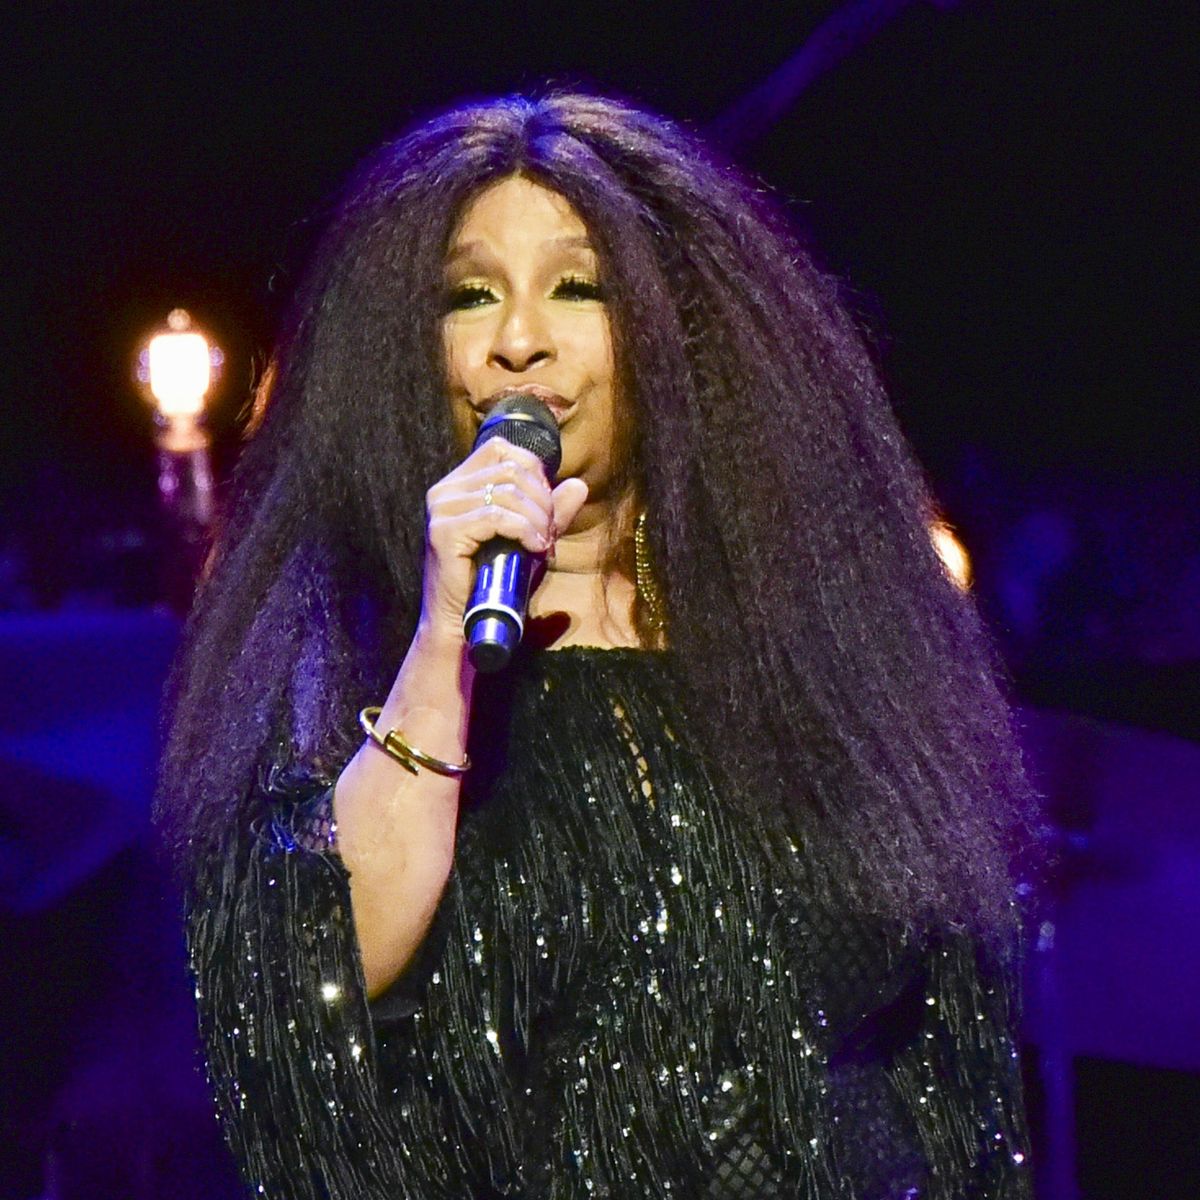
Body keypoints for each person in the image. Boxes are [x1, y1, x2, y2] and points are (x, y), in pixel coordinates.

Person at [158, 91, 1040, 1199]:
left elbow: (947, 1057)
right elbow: (295, 1003)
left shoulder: (815, 646)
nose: (518, 339)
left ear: (680, 335)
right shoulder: (344, 643)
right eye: (469, 296)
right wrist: (443, 638)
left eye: (578, 288)